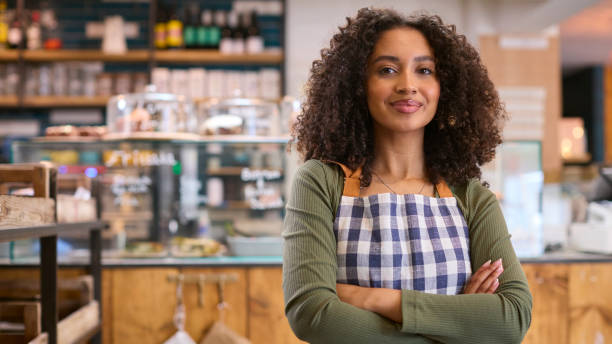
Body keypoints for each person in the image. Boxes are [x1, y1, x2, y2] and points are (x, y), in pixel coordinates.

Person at [282, 7, 532, 344]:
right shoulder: (321, 183)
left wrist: (371, 299)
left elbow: (512, 320)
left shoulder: (470, 196)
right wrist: (458, 321)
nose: (408, 85)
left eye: (424, 70)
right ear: (359, 85)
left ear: (445, 88)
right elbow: (313, 317)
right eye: (387, 69)